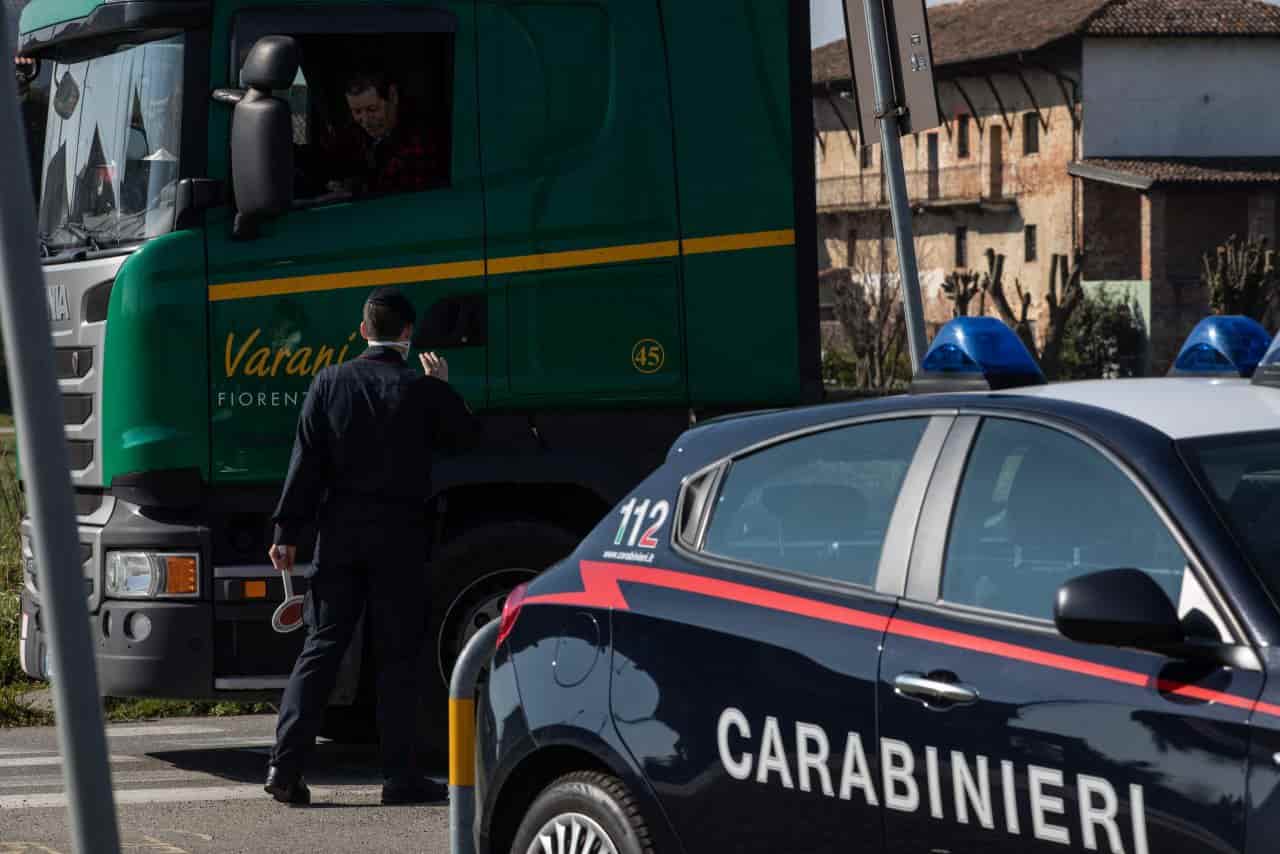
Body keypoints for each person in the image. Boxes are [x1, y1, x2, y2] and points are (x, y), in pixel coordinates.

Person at [264, 286, 477, 806]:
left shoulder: (329, 382)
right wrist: (441, 387)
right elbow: (465, 439)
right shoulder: (418, 388)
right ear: (407, 334)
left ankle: (285, 768)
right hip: (401, 534)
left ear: (363, 331)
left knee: (322, 646)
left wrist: (286, 534)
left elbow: (306, 464)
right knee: (398, 656)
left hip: (340, 532)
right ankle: (400, 778)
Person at [324, 69, 446, 197]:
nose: (365, 122)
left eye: (372, 109)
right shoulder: (353, 133)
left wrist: (356, 191)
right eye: (357, 112)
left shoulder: (418, 144)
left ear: (393, 96)